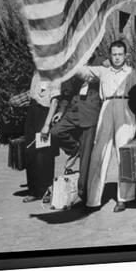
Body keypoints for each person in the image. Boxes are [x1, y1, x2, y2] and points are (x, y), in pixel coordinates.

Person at [76, 41, 136, 211]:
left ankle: (124, 198)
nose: (117, 57)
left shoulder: (132, 73)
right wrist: (77, 55)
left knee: (125, 154)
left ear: (125, 55)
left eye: (120, 54)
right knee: (99, 153)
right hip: (107, 108)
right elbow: (81, 71)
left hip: (125, 109)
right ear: (109, 55)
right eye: (114, 54)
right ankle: (92, 199)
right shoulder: (103, 71)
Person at [50, 58, 102, 205]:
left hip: (90, 115)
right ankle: (75, 149)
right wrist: (60, 111)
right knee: (55, 132)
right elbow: (66, 94)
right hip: (72, 113)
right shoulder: (73, 68)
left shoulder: (99, 66)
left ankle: (83, 195)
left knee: (85, 161)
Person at [22, 71, 61, 203]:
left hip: (44, 114)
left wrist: (46, 124)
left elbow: (55, 101)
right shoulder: (36, 71)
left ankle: (47, 191)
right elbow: (33, 93)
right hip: (32, 113)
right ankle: (33, 191)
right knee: (30, 152)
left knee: (43, 155)